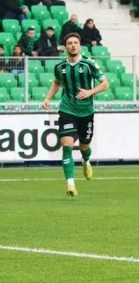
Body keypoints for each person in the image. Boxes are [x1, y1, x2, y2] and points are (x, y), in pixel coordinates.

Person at [39, 33, 110, 197]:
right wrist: (48, 98)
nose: (73, 45)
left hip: (86, 112)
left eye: (75, 43)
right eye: (69, 43)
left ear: (80, 46)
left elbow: (105, 84)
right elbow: (57, 82)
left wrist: (90, 92)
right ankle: (70, 184)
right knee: (67, 146)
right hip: (67, 110)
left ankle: (86, 160)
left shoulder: (88, 64)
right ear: (65, 47)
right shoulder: (60, 66)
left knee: (84, 146)